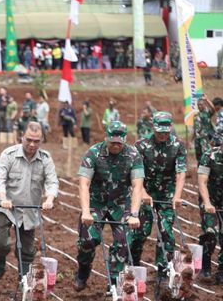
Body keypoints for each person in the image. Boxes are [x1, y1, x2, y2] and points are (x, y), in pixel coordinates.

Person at [0, 122, 58, 288]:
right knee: (0, 242)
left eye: (36, 141)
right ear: (22, 137)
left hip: (29, 209)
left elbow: (52, 181)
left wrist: (50, 199)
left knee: (27, 250)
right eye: (29, 140)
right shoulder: (9, 155)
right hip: (6, 207)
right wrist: (3, 197)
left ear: (41, 141)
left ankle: (23, 280)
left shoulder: (45, 159)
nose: (32, 144)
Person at [75, 121, 143, 291]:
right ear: (106, 138)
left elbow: (137, 186)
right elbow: (84, 184)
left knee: (123, 242)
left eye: (119, 143)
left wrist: (134, 214)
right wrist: (85, 212)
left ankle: (113, 283)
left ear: (124, 140)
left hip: (121, 203)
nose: (115, 145)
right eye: (112, 142)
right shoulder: (93, 153)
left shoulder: (133, 155)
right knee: (88, 241)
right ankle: (83, 271)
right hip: (96, 203)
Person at [130, 112, 187, 287]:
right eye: (159, 132)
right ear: (153, 128)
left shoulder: (178, 146)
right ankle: (133, 264)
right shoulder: (141, 145)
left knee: (166, 232)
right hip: (145, 192)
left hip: (167, 195)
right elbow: (135, 174)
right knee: (141, 231)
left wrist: (177, 196)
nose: (163, 135)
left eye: (166, 132)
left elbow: (181, 172)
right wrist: (144, 194)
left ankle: (163, 271)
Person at [197, 134, 223, 283]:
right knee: (210, 232)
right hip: (210, 198)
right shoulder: (209, 156)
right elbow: (202, 182)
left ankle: (221, 270)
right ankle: (205, 265)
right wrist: (207, 203)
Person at [193, 96, 215, 163]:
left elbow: (213, 109)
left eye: (201, 104)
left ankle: (207, 168)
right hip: (197, 138)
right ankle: (199, 169)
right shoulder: (196, 116)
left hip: (206, 138)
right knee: (198, 155)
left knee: (206, 154)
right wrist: (191, 140)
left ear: (204, 105)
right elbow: (195, 128)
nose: (199, 106)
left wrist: (207, 100)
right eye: (198, 105)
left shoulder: (207, 113)